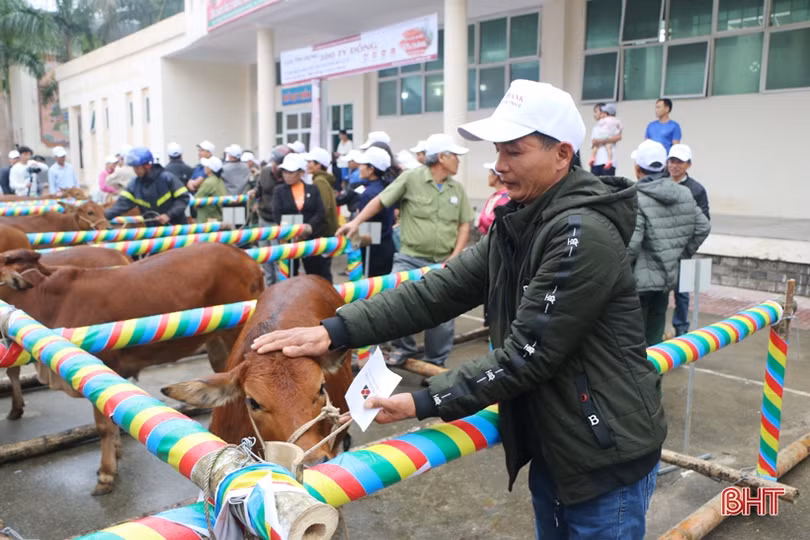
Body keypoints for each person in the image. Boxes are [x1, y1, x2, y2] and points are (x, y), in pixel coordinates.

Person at [251, 80, 667, 540]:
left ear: (562, 154)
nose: (499, 168)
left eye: (514, 152)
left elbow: (527, 354)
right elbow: (437, 292)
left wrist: (425, 399)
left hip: (603, 450)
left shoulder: (580, 233)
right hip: (560, 440)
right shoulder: (522, 222)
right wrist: (336, 331)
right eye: (497, 152)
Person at [337, 132, 474, 368]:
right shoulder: (411, 179)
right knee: (396, 299)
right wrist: (355, 223)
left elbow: (464, 225)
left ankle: (435, 361)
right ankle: (404, 347)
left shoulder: (457, 190)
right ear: (442, 157)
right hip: (410, 258)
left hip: (443, 261)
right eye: (455, 156)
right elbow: (381, 201)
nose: (459, 161)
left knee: (444, 310)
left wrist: (456, 255)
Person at [628, 139, 710, 346]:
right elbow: (703, 227)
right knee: (656, 340)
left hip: (638, 284)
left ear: (638, 169)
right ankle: (656, 377)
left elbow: (633, 244)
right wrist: (678, 255)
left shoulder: (636, 197)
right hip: (666, 278)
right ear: (664, 166)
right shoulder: (684, 193)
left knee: (634, 343)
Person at [667, 144, 710, 336]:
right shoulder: (660, 184)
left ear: (688, 165)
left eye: (679, 162)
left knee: (681, 292)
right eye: (672, 161)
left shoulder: (696, 190)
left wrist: (687, 249)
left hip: (682, 250)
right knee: (656, 293)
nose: (674, 166)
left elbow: (704, 222)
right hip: (661, 249)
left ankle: (681, 329)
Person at [271, 153, 331, 281]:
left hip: (310, 237)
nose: (286, 175)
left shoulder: (313, 189)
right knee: (289, 275)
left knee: (315, 274)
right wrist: (292, 232)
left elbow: (320, 212)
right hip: (288, 239)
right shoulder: (279, 191)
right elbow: (277, 215)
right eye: (284, 171)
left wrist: (307, 229)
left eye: (291, 172)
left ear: (301, 173)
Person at [104, 147, 190, 225]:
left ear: (147, 165)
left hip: (177, 231)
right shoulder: (134, 185)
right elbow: (122, 204)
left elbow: (183, 198)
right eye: (134, 167)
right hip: (154, 233)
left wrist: (169, 215)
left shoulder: (167, 178)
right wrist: (105, 215)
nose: (135, 171)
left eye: (137, 167)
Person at [352, 146, 397, 276]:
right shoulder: (387, 186)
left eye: (362, 164)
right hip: (387, 244)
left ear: (371, 169)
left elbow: (364, 226)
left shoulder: (369, 193)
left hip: (372, 249)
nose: (359, 167)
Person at [254, 145, 292, 286]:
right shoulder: (264, 172)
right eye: (274, 163)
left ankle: (281, 286)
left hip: (280, 222)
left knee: (279, 256)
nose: (275, 167)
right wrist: (254, 194)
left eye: (278, 164)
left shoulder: (288, 178)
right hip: (264, 218)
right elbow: (259, 189)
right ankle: (270, 285)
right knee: (264, 255)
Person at [304, 147, 339, 239]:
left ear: (318, 165)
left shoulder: (319, 181)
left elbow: (324, 208)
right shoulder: (321, 179)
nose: (307, 165)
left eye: (309, 162)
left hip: (323, 234)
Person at [475, 162, 510, 235]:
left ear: (496, 176)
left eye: (490, 173)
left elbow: (494, 222)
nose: (488, 176)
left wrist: (481, 219)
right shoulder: (495, 196)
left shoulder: (505, 198)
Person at [589, 103, 622, 175]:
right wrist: (606, 140)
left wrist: (601, 140)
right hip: (596, 163)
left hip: (608, 163)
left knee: (607, 185)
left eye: (596, 111)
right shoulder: (596, 127)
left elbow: (618, 137)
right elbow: (594, 142)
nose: (595, 114)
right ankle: (592, 158)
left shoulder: (613, 125)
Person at [194, 156, 227, 223]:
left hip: (206, 220)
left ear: (210, 169)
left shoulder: (209, 182)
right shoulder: (219, 180)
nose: (204, 168)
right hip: (217, 217)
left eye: (206, 166)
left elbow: (196, 200)